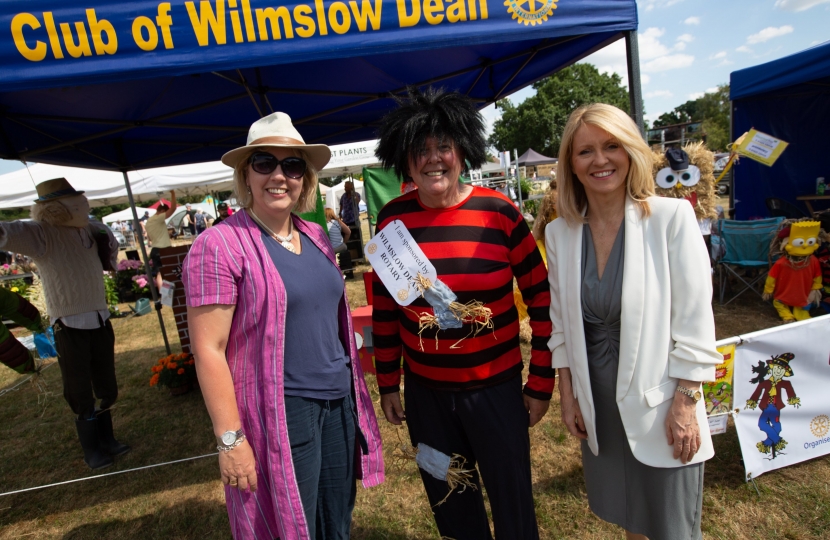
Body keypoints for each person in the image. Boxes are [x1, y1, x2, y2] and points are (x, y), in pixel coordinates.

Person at [183, 112, 384, 539]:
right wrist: (230, 440)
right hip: (283, 410)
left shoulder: (314, 234)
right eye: (264, 163)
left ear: (305, 178)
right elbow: (208, 350)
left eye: (292, 165)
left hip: (339, 401)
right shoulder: (218, 245)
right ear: (246, 173)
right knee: (291, 525)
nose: (279, 175)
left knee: (336, 521)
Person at [371, 87, 552, 540]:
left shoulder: (500, 212)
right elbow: (385, 311)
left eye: (444, 147)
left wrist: (541, 382)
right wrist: (388, 382)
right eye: (420, 150)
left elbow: (543, 301)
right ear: (405, 161)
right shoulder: (390, 221)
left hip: (497, 393)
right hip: (427, 399)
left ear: (463, 152)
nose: (433, 159)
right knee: (450, 499)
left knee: (513, 505)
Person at [545, 104, 721, 540]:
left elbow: (697, 324)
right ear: (570, 162)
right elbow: (561, 328)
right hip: (598, 403)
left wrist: (685, 402)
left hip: (663, 405)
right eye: (585, 151)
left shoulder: (671, 218)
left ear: (632, 151)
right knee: (630, 520)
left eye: (611, 146)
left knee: (671, 528)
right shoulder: (559, 233)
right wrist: (568, 395)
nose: (600, 160)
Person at [0, 178, 130, 470]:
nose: (83, 207)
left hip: (99, 317)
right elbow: (8, 231)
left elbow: (109, 253)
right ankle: (92, 448)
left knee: (106, 381)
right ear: (55, 209)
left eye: (82, 202)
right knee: (78, 385)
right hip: (69, 323)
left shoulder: (89, 229)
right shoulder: (41, 234)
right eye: (75, 204)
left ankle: (107, 438)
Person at [145, 191, 177, 291]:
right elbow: (173, 209)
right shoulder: (158, 218)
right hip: (163, 249)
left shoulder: (149, 222)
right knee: (170, 270)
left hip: (155, 248)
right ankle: (168, 294)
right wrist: (172, 194)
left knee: (159, 273)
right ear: (162, 211)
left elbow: (153, 236)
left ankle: (163, 294)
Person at [324, 207, 352, 278]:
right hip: (341, 246)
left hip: (331, 249)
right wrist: (344, 243)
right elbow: (348, 232)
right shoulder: (338, 222)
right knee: (345, 248)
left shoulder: (324, 224)